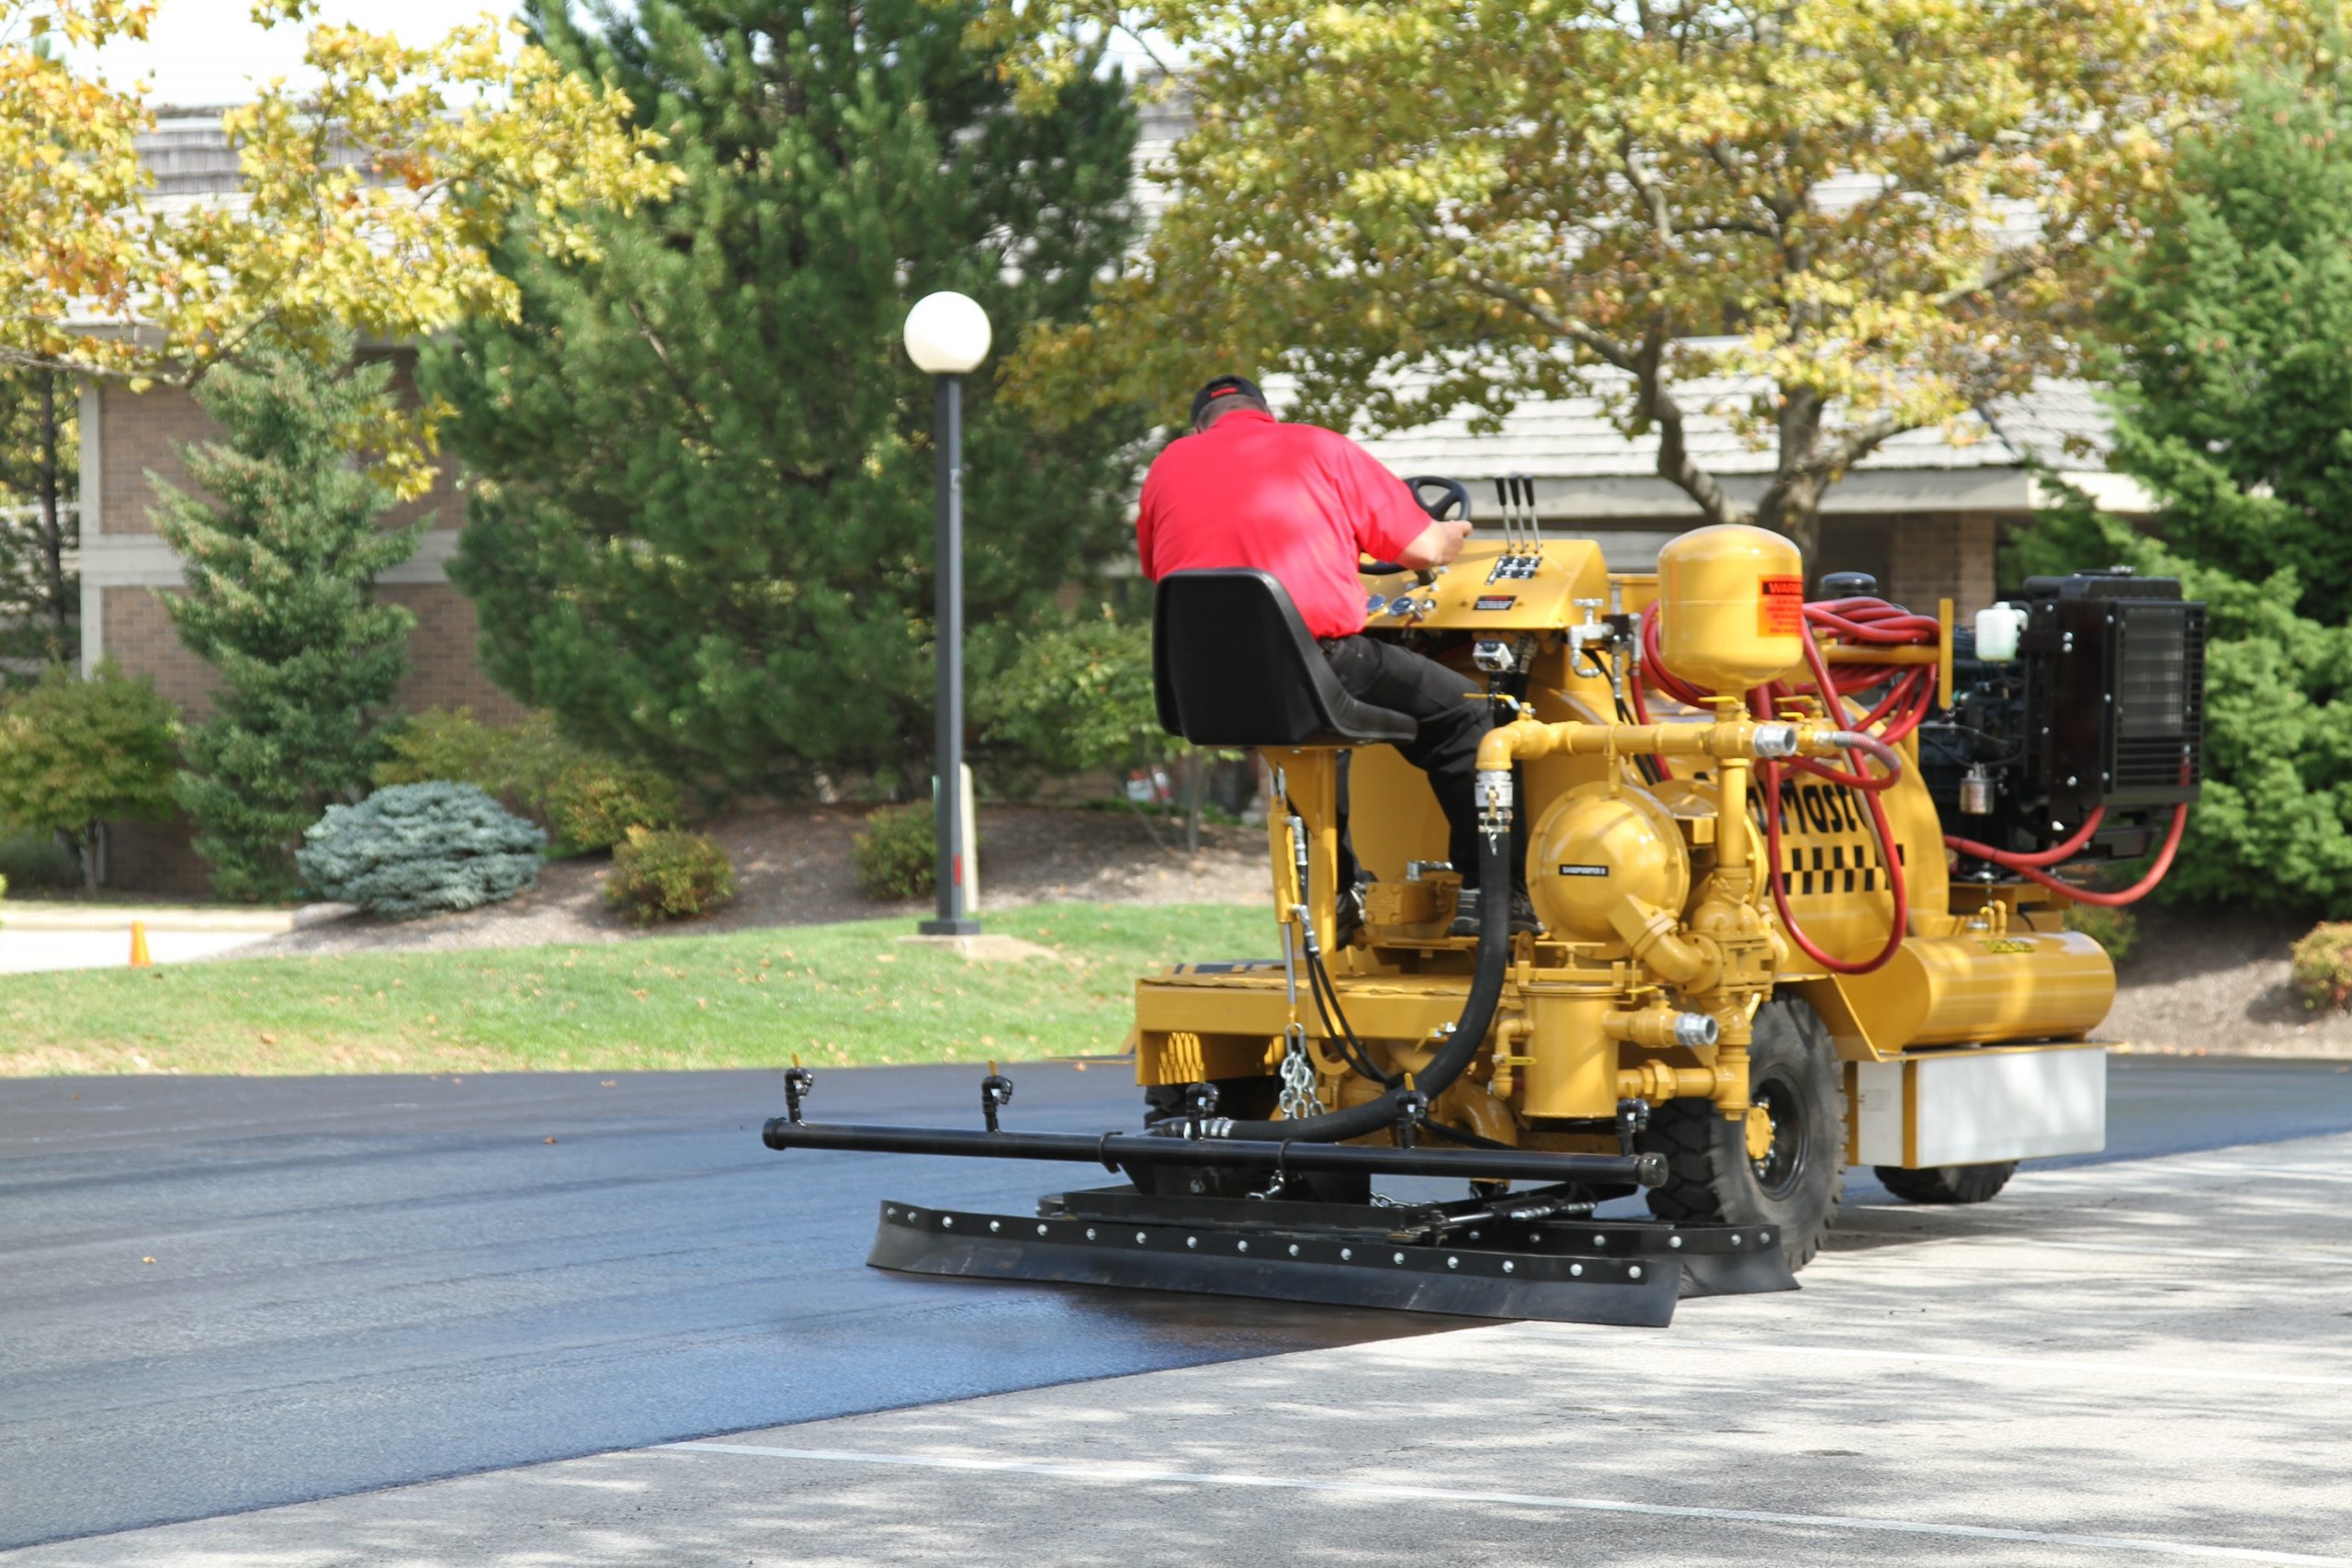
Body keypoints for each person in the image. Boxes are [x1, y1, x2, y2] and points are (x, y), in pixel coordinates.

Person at [1136, 374, 1535, 935]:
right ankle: (1493, 896)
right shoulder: (1321, 447)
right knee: (1470, 719)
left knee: (1316, 737)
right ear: (1266, 414)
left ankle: (1337, 893)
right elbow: (1421, 547)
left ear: (1200, 425)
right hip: (1317, 659)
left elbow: (1161, 571)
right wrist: (1450, 533)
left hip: (1204, 683)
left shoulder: (1169, 465)